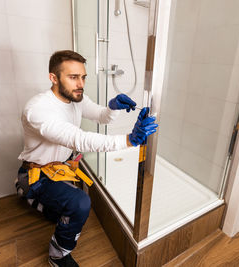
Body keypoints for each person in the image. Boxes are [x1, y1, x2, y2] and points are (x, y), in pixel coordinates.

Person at [16, 50, 158, 267]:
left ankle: (47, 207)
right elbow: (79, 139)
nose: (80, 83)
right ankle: (57, 255)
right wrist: (130, 140)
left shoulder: (76, 98)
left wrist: (113, 107)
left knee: (68, 208)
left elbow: (102, 116)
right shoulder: (38, 109)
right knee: (80, 203)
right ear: (53, 78)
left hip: (61, 169)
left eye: (83, 77)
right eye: (73, 77)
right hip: (37, 175)